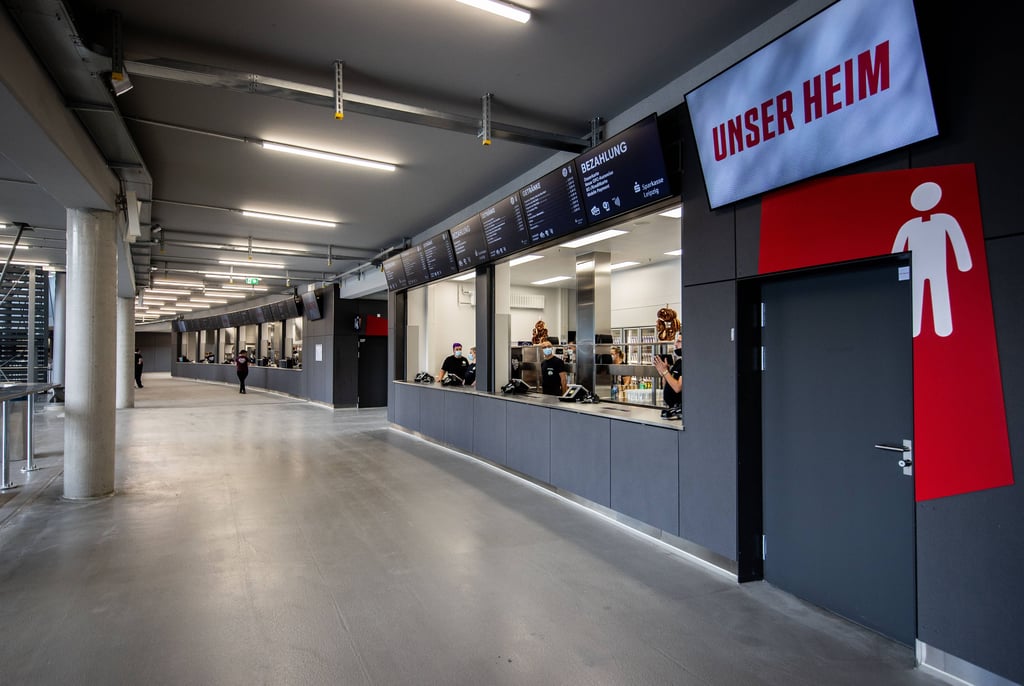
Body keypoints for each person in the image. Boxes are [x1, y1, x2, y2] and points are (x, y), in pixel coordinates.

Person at [653, 332, 682, 418]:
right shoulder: (678, 363)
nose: (675, 344)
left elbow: (678, 387)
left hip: (679, 411)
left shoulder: (687, 364)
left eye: (679, 341)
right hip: (671, 408)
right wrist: (665, 373)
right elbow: (666, 385)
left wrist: (665, 372)